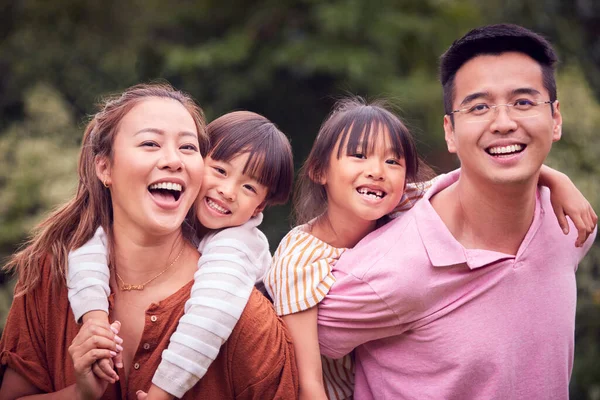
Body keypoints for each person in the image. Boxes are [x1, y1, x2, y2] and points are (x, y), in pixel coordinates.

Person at [266, 90, 597, 399]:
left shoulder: (403, 203)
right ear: (319, 170)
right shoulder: (300, 259)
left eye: (393, 161)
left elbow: (479, 176)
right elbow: (308, 380)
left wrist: (557, 180)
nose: (377, 171)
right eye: (359, 155)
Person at [0, 83, 298, 400]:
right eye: (150, 143)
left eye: (187, 147)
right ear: (104, 167)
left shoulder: (244, 316)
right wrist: (82, 394)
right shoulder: (52, 272)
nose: (173, 160)